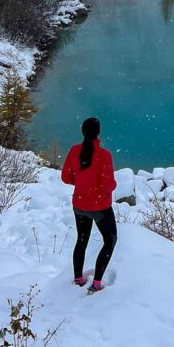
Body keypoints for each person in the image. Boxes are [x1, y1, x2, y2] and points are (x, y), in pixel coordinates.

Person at [61, 117, 117, 294]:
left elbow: (66, 177)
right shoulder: (104, 155)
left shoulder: (74, 150)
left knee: (82, 240)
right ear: (98, 132)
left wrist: (82, 183)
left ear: (83, 132)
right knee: (110, 240)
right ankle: (96, 283)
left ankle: (78, 278)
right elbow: (108, 185)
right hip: (100, 207)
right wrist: (111, 186)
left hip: (79, 205)